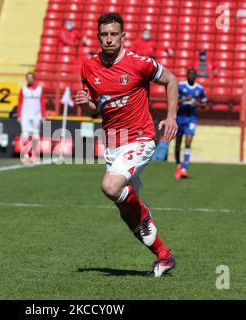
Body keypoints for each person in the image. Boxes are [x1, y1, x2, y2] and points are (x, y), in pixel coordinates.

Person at [75, 13, 178, 277]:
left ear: (123, 36)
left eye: (113, 34)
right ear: (98, 37)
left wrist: (170, 117)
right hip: (112, 144)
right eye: (104, 35)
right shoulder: (88, 68)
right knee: (126, 213)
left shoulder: (139, 64)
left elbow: (171, 80)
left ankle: (144, 212)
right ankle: (164, 257)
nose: (109, 39)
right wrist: (85, 104)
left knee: (110, 186)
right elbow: (95, 112)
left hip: (140, 138)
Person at [174, 68, 207, 179]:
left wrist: (196, 103)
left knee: (188, 143)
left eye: (193, 74)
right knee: (178, 143)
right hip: (180, 118)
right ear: (187, 75)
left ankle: (184, 168)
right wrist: (184, 100)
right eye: (190, 74)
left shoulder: (199, 89)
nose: (191, 76)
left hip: (191, 119)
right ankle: (178, 165)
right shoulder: (181, 86)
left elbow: (204, 104)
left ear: (196, 76)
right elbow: (173, 100)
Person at [17, 72, 46, 164]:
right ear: (26, 79)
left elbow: (42, 103)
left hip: (36, 116)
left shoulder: (39, 90)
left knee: (36, 136)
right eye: (28, 78)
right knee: (25, 135)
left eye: (31, 78)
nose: (30, 79)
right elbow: (20, 102)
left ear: (34, 79)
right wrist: (19, 115)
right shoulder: (23, 89)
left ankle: (33, 154)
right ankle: (25, 155)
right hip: (25, 116)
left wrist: (43, 115)